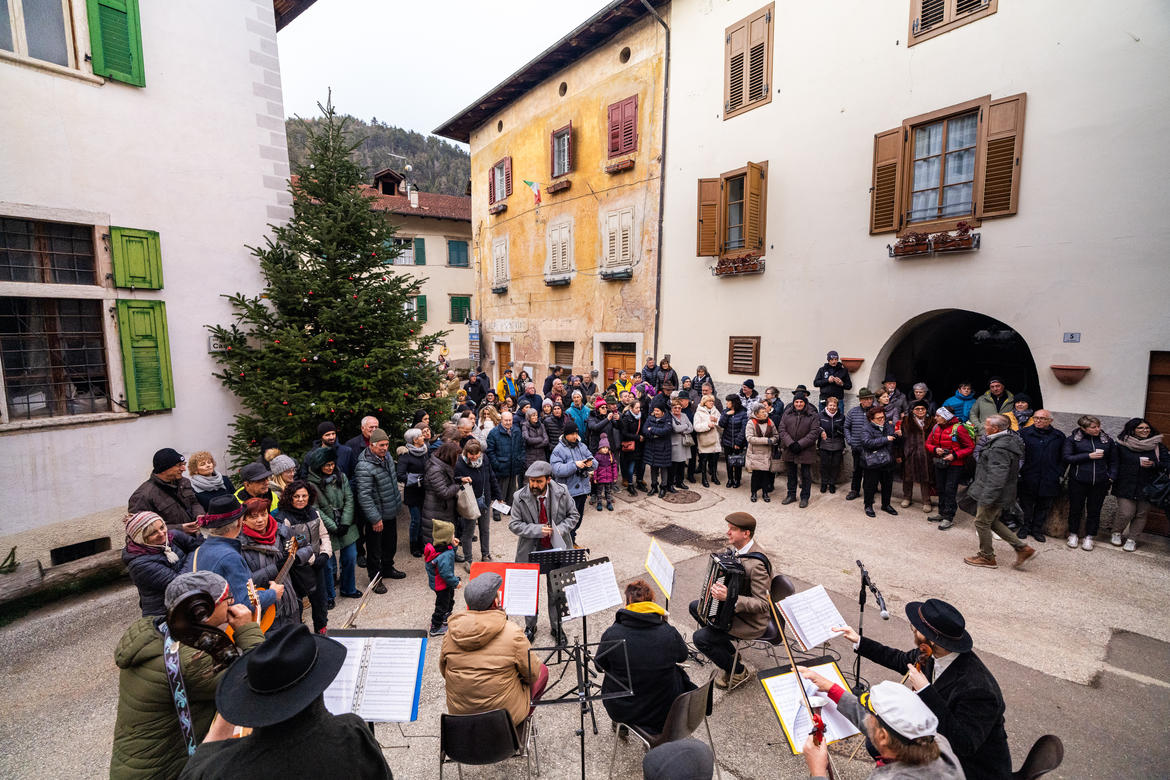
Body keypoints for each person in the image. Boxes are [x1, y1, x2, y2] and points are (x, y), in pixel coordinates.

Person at [179, 624, 393, 779]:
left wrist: (229, 707)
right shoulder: (351, 735)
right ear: (318, 680)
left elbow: (192, 771)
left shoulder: (223, 769)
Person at [830, 598, 1012, 779]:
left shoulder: (979, 689)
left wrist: (926, 691)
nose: (914, 630)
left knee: (882, 741)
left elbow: (964, 745)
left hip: (969, 769)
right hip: (935, 740)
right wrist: (859, 641)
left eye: (916, 628)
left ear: (932, 639)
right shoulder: (932, 653)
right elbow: (899, 659)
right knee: (875, 740)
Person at [111, 571, 261, 780]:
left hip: (135, 766)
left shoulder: (160, 633)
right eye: (227, 599)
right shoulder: (189, 662)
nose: (232, 603)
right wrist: (247, 629)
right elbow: (257, 679)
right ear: (202, 612)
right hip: (160, 772)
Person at [798, 676, 963, 780]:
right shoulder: (936, 742)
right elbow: (886, 724)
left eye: (870, 716)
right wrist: (833, 689)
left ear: (883, 736)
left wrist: (818, 772)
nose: (867, 718)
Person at [440, 572, 549, 727]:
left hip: (460, 719)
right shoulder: (513, 633)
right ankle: (519, 726)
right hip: (502, 721)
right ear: (495, 602)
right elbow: (532, 674)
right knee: (542, 671)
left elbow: (444, 671)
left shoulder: (450, 634)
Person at [596, 580, 695, 734]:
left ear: (628, 603)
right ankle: (653, 735)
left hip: (623, 708)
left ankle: (621, 726)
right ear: (651, 603)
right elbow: (682, 656)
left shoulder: (613, 634)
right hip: (662, 709)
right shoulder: (669, 632)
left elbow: (599, 666)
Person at [688, 512, 772, 689]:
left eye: (733, 529)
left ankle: (738, 672)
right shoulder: (739, 551)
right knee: (696, 607)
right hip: (733, 611)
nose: (728, 532)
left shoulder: (757, 564)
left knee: (700, 638)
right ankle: (731, 653)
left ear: (746, 533)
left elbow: (763, 604)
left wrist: (730, 598)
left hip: (749, 621)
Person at [509, 461, 580, 643]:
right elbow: (514, 524)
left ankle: (556, 627)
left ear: (548, 480)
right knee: (529, 590)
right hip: (530, 550)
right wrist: (537, 530)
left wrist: (559, 530)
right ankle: (530, 626)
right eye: (531, 481)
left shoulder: (562, 491)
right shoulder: (519, 496)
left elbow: (574, 516)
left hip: (556, 548)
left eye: (538, 481)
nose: (534, 485)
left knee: (556, 590)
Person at [187, 495, 283, 614]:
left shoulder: (198, 551)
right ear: (239, 522)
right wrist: (273, 594)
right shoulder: (230, 557)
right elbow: (245, 603)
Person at [964, 414, 1037, 569]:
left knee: (981, 522)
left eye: (987, 425)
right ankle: (1022, 548)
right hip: (998, 491)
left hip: (994, 492)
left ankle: (987, 557)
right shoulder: (1004, 440)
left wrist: (988, 498)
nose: (984, 427)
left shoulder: (999, 448)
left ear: (995, 428)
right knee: (991, 521)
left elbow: (997, 476)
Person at [273, 481, 332, 633]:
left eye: (304, 496)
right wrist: (312, 559)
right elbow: (286, 547)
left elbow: (324, 535)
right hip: (297, 569)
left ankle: (321, 631)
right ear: (290, 497)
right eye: (296, 496)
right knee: (297, 606)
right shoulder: (283, 519)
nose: (301, 499)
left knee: (320, 602)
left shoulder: (314, 513)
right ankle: (299, 636)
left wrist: (325, 554)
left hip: (318, 564)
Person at [353, 427, 405, 593]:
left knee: (390, 544)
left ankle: (388, 568)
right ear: (372, 445)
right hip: (376, 515)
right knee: (375, 550)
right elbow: (364, 496)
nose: (385, 448)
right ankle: (375, 579)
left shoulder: (387, 457)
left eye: (386, 445)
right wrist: (375, 518)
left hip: (390, 510)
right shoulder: (364, 466)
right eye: (381, 445)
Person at [305, 447, 360, 602]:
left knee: (350, 558)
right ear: (319, 466)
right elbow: (315, 509)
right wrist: (334, 527)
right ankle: (329, 596)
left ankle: (348, 588)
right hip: (325, 528)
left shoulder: (341, 476)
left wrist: (345, 522)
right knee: (327, 565)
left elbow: (349, 499)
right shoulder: (311, 484)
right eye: (326, 465)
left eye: (332, 464)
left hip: (346, 524)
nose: (330, 468)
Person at [238, 497, 301, 629]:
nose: (260, 520)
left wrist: (298, 558)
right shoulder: (240, 544)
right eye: (254, 517)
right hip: (265, 607)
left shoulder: (281, 530)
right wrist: (276, 567)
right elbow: (246, 581)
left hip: (289, 601)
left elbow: (304, 544)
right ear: (243, 520)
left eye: (264, 514)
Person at [123, 511, 201, 617]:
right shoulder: (139, 565)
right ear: (140, 538)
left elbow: (200, 546)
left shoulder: (171, 537)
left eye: (162, 527)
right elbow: (179, 583)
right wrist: (195, 554)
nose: (161, 533)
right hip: (166, 612)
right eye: (152, 533)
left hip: (185, 600)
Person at [1063, 414, 1117, 551]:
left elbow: (1114, 461)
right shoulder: (1073, 440)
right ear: (1083, 428)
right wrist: (1088, 456)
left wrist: (1110, 477)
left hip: (1100, 482)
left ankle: (1089, 537)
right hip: (1078, 480)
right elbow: (1067, 457)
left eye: (1098, 426)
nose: (1097, 429)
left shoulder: (1107, 441)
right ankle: (1073, 534)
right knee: (1075, 509)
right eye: (1093, 427)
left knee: (1094, 511)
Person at [1112, 418, 1167, 551]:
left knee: (1141, 514)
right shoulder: (1121, 445)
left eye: (1147, 428)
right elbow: (1114, 463)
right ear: (1132, 430)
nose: (1145, 430)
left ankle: (1132, 539)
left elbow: (1167, 463)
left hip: (1148, 486)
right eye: (1141, 428)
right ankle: (1116, 532)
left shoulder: (1157, 446)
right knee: (1126, 513)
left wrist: (1154, 464)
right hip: (1125, 484)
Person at [1015, 410, 1064, 542]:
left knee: (1044, 505)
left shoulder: (1058, 436)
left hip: (1049, 477)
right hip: (1028, 475)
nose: (1038, 420)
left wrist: (1059, 473)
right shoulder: (1023, 433)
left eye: (1042, 418)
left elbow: (1063, 457)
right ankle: (1024, 527)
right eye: (1036, 418)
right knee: (1026, 504)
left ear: (1050, 421)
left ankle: (1037, 529)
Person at [128, 448, 203, 534]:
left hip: (196, 536)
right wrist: (180, 529)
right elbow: (141, 530)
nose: (183, 468)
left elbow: (194, 503)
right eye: (179, 465)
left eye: (183, 464)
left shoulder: (184, 482)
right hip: (171, 541)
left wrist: (199, 515)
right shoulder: (142, 496)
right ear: (164, 469)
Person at [925, 408, 975, 530]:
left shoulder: (959, 429)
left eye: (938, 416)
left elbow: (970, 447)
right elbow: (928, 443)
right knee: (940, 488)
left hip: (955, 465)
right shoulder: (936, 427)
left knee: (950, 490)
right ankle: (941, 512)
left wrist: (955, 455)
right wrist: (935, 449)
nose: (935, 418)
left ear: (945, 417)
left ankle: (948, 517)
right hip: (940, 462)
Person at [421, 441, 469, 558]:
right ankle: (442, 561)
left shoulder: (440, 465)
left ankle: (450, 556)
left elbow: (445, 482)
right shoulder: (436, 470)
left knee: (448, 536)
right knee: (439, 541)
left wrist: (459, 479)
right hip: (437, 510)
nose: (457, 459)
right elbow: (444, 492)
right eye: (456, 456)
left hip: (443, 510)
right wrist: (458, 486)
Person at [454, 439, 497, 562]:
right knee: (468, 532)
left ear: (480, 452)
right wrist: (461, 479)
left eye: (476, 454)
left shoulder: (485, 459)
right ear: (466, 452)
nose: (474, 457)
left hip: (484, 500)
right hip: (469, 502)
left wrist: (498, 496)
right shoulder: (459, 463)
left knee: (484, 529)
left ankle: (485, 554)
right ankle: (468, 559)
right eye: (471, 454)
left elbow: (491, 477)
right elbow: (453, 479)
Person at [550, 417, 595, 526]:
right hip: (568, 491)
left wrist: (591, 463)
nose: (575, 436)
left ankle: (572, 536)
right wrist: (574, 465)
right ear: (565, 434)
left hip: (583, 489)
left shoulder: (582, 446)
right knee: (568, 521)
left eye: (576, 433)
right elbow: (556, 469)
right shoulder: (558, 450)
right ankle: (569, 537)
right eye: (572, 434)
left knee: (578, 519)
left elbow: (594, 460)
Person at [780, 390, 819, 507]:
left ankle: (805, 497)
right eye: (796, 402)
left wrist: (800, 444)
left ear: (805, 402)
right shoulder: (787, 413)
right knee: (791, 474)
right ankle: (791, 495)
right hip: (790, 448)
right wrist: (791, 443)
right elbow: (782, 429)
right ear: (793, 403)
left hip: (806, 449)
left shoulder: (813, 415)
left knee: (806, 475)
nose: (798, 404)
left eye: (801, 402)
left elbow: (814, 432)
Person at [859, 406, 900, 518]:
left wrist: (898, 435)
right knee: (870, 485)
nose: (882, 420)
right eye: (879, 418)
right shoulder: (866, 428)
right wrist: (885, 439)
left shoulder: (889, 426)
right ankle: (868, 506)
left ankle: (886, 505)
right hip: (872, 462)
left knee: (887, 485)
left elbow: (894, 440)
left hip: (887, 460)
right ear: (871, 419)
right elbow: (867, 442)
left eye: (883, 417)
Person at [486, 410, 526, 523]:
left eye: (510, 420)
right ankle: (496, 511)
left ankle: (508, 509)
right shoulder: (494, 433)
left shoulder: (516, 431)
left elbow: (522, 447)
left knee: (511, 489)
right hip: (501, 466)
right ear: (501, 420)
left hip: (514, 465)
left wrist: (520, 459)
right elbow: (490, 451)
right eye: (506, 420)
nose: (508, 422)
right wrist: (496, 464)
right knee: (500, 490)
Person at [423, 518, 461, 636]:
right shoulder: (445, 555)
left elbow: (449, 552)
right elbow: (446, 573)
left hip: (440, 583)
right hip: (442, 584)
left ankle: (446, 616)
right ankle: (436, 626)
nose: (454, 536)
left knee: (449, 599)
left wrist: (453, 546)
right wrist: (456, 582)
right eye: (452, 534)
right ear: (446, 538)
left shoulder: (439, 547)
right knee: (442, 604)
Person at [396, 428, 430, 558]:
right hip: (412, 492)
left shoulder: (425, 452)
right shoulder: (405, 455)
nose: (423, 437)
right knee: (416, 520)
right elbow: (400, 475)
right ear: (415, 440)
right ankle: (414, 545)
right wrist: (416, 479)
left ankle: (421, 542)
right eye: (421, 436)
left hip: (424, 491)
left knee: (423, 518)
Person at [899, 400, 936, 512]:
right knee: (907, 477)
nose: (920, 411)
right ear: (912, 410)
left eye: (923, 409)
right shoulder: (906, 421)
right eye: (917, 409)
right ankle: (907, 497)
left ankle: (926, 501)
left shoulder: (932, 421)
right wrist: (901, 453)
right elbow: (901, 439)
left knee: (925, 478)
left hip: (926, 454)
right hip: (910, 452)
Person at [844, 387, 876, 501]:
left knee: (870, 472)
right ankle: (854, 490)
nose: (869, 401)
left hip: (871, 447)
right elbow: (846, 427)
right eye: (866, 399)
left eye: (870, 399)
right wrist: (850, 440)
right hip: (857, 447)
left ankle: (869, 493)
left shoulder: (876, 411)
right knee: (857, 470)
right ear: (861, 400)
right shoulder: (853, 412)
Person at [745, 401, 777, 503]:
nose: (765, 413)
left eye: (765, 411)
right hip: (755, 453)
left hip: (767, 453)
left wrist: (772, 440)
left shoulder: (770, 422)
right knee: (756, 474)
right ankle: (753, 493)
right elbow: (750, 438)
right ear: (756, 413)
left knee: (765, 475)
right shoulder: (751, 422)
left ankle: (765, 493)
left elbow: (776, 436)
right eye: (762, 412)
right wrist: (766, 440)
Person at [642, 400, 674, 497]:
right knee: (653, 468)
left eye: (657, 411)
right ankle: (654, 486)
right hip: (652, 448)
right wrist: (654, 435)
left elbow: (666, 431)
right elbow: (644, 430)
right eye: (655, 410)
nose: (655, 412)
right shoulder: (650, 418)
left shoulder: (668, 419)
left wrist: (652, 429)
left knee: (663, 468)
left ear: (662, 412)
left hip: (663, 449)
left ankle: (663, 487)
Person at [620, 391, 647, 495]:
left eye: (639, 408)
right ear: (631, 408)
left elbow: (644, 428)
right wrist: (638, 437)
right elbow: (624, 433)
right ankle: (630, 484)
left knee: (641, 466)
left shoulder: (641, 416)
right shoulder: (626, 417)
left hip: (641, 445)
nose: (639, 410)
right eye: (636, 408)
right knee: (631, 467)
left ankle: (639, 481)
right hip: (631, 446)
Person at [817, 396, 846, 493]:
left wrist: (839, 428)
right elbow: (816, 427)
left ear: (837, 406)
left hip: (838, 442)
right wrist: (821, 431)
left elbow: (845, 430)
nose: (832, 407)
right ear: (827, 406)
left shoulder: (841, 417)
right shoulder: (820, 415)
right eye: (830, 405)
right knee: (824, 464)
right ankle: (824, 483)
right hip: (825, 442)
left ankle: (832, 483)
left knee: (835, 464)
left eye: (834, 405)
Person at [693, 393, 722, 488]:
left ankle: (714, 476)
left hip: (715, 440)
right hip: (705, 440)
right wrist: (707, 425)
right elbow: (696, 427)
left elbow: (722, 424)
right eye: (710, 401)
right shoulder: (699, 413)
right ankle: (704, 478)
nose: (712, 403)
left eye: (712, 401)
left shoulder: (715, 411)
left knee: (714, 460)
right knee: (704, 461)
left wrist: (716, 420)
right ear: (704, 402)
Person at [719, 394, 748, 488]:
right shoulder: (725, 411)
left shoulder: (743, 413)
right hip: (727, 441)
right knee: (729, 462)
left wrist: (738, 442)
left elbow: (744, 429)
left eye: (728, 401)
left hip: (738, 442)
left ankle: (737, 480)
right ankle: (730, 479)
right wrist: (727, 415)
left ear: (734, 403)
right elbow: (721, 424)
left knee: (737, 462)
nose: (726, 403)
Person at [668, 396, 695, 490]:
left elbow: (691, 428)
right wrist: (685, 426)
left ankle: (680, 482)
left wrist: (683, 429)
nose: (677, 409)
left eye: (679, 408)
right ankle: (671, 483)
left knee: (682, 464)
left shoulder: (684, 415)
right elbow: (675, 429)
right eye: (675, 407)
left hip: (684, 443)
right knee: (674, 465)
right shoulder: (670, 416)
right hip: (675, 444)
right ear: (672, 408)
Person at [592, 434, 619, 511]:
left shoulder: (611, 456)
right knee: (599, 491)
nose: (605, 449)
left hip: (609, 478)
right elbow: (595, 468)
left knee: (608, 491)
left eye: (607, 448)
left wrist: (615, 476)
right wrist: (595, 478)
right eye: (603, 447)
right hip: (600, 478)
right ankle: (599, 503)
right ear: (600, 448)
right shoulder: (597, 456)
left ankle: (609, 503)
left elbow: (614, 467)